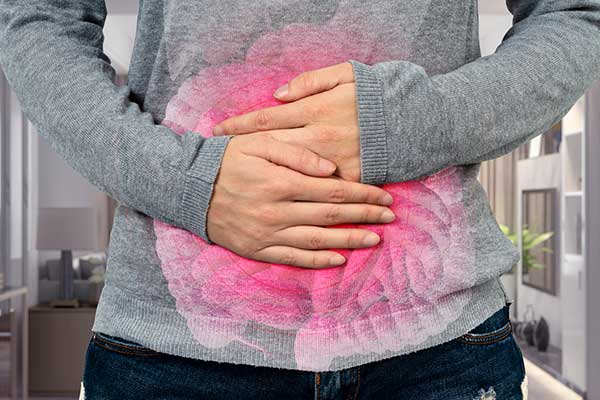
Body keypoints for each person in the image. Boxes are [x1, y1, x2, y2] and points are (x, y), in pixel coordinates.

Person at [1, 1, 599, 399]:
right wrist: (188, 182)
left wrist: (405, 124)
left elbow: (573, 14)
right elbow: (39, 19)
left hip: (437, 349)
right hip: (171, 351)